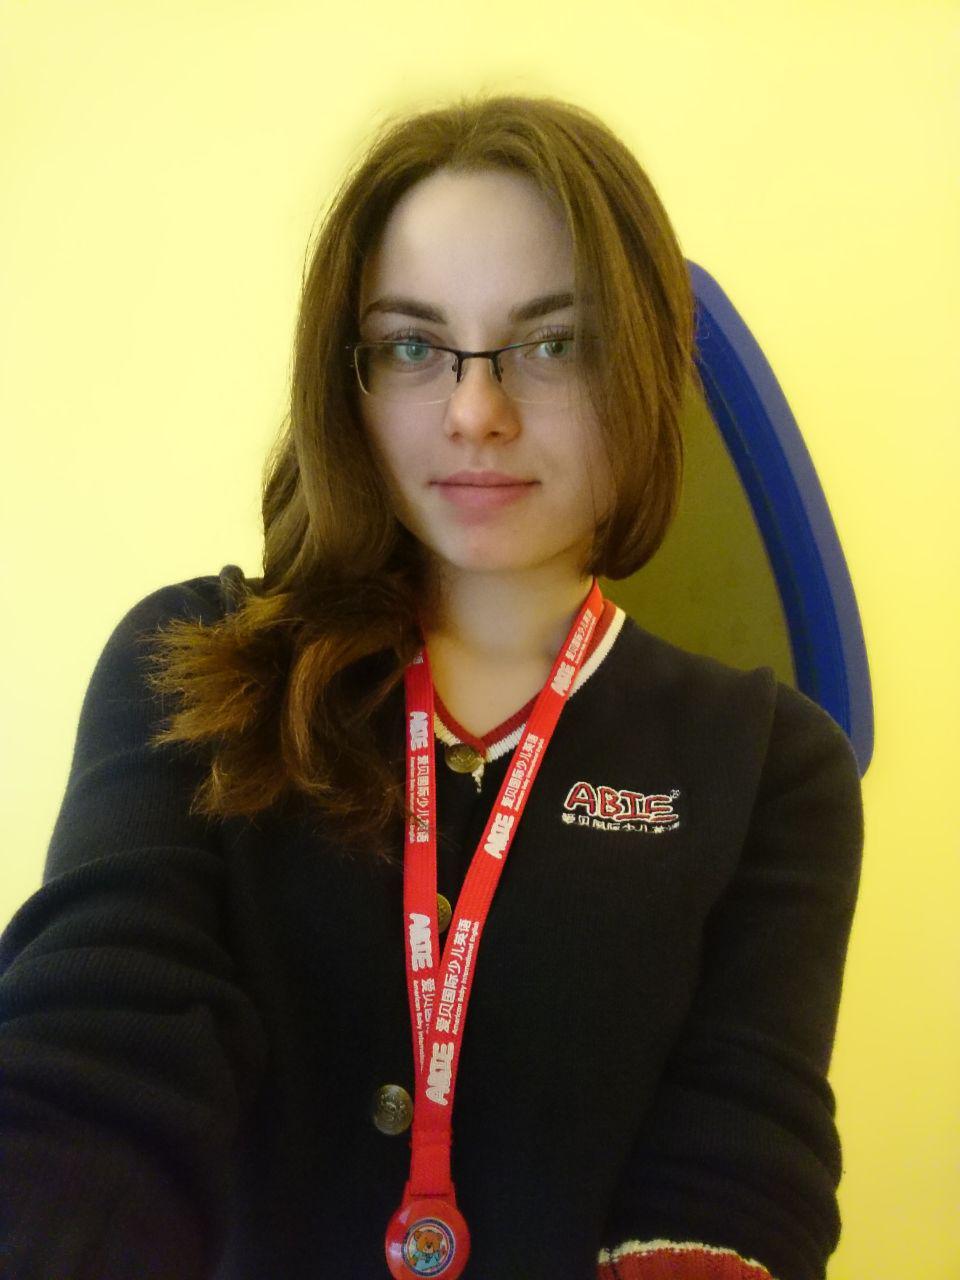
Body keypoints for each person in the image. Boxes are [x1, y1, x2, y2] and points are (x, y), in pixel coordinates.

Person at [0, 95, 863, 1280]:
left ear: (644, 369)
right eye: (413, 346)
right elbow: (93, 1055)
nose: (474, 412)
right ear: (347, 380)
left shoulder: (771, 763)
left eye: (552, 344)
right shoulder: (189, 661)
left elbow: (739, 1169)